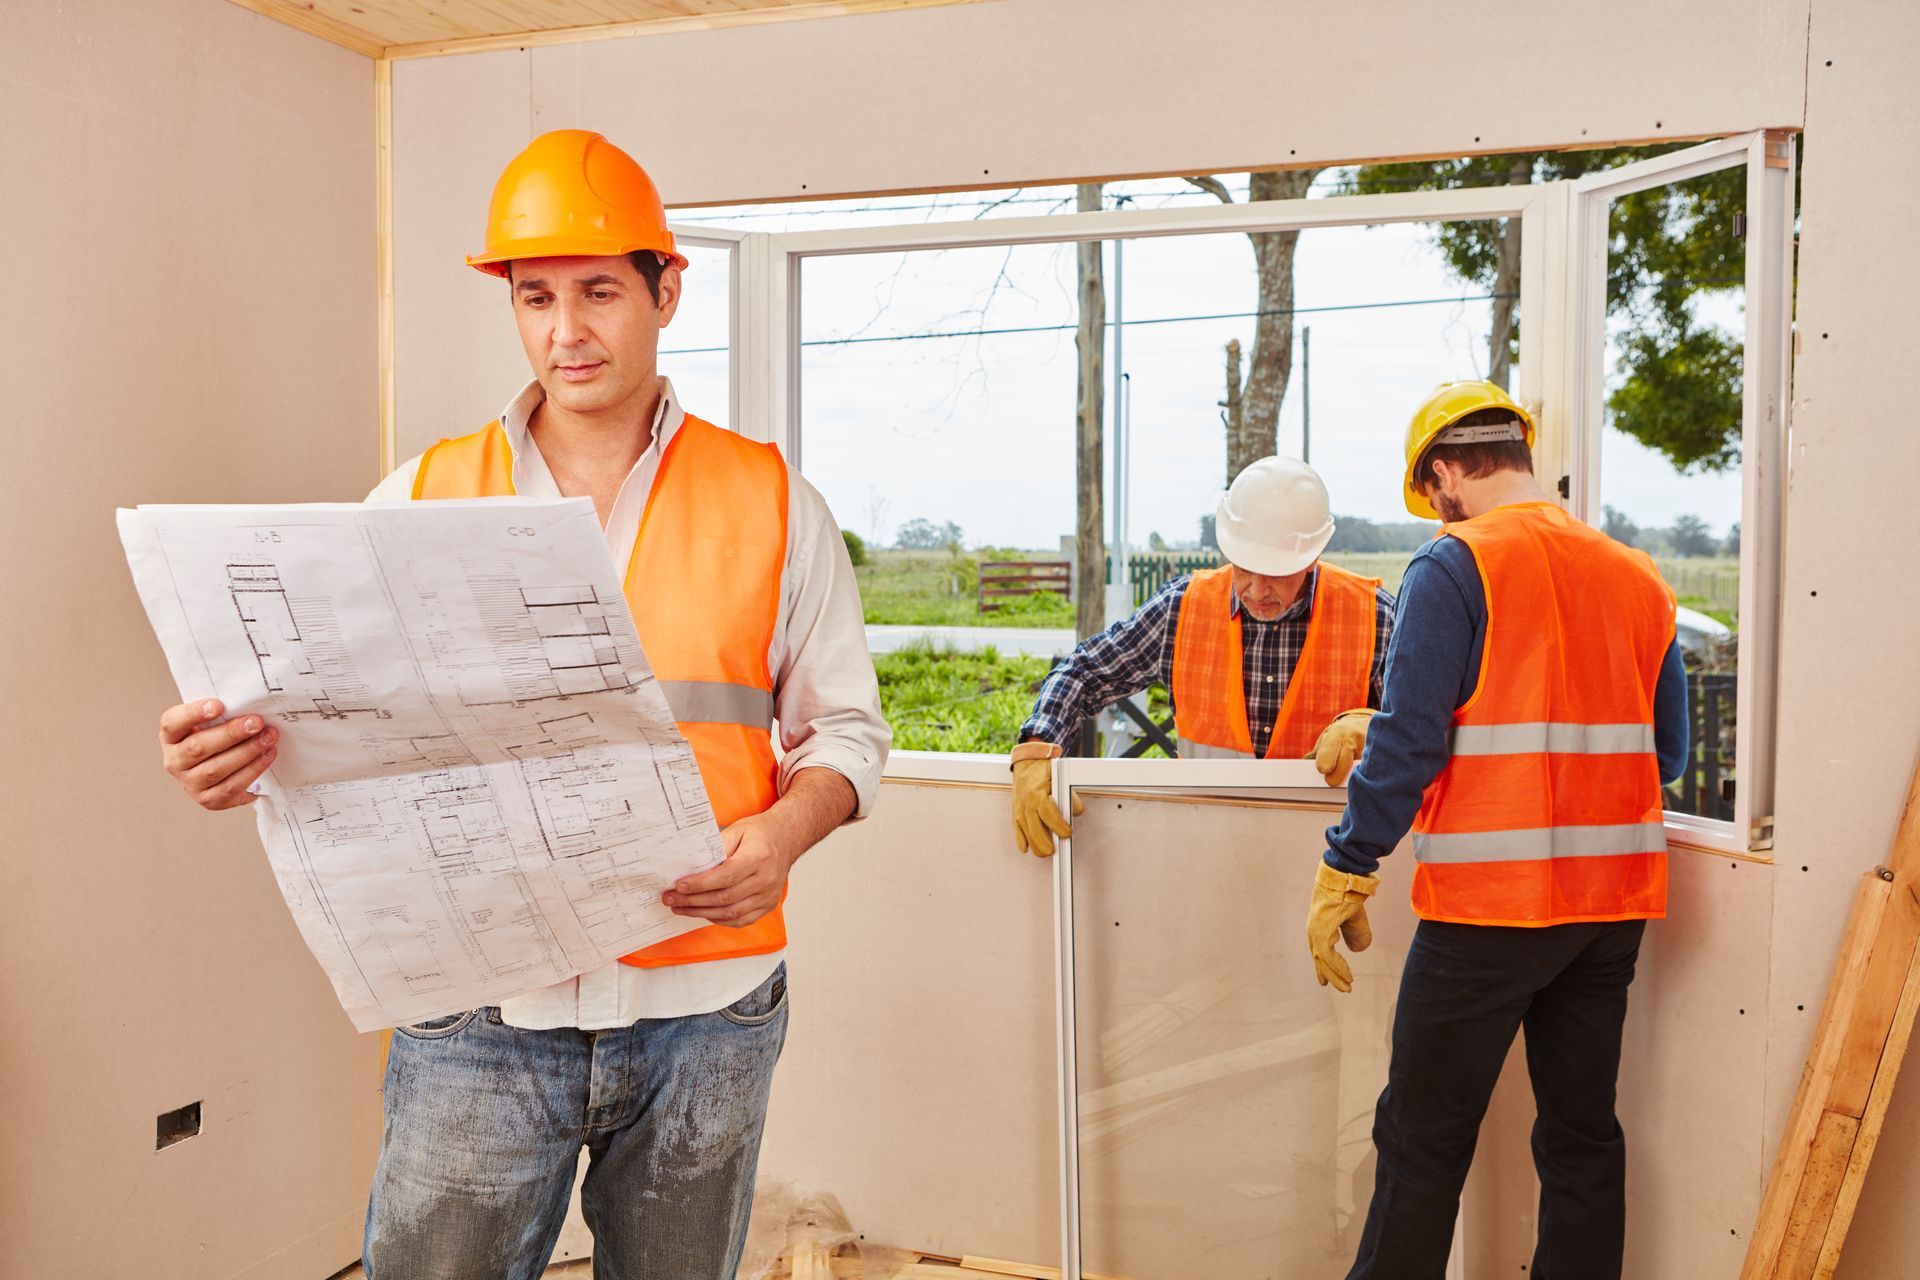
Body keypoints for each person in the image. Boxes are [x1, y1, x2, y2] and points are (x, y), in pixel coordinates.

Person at [155, 129, 889, 1278]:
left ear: (667, 289)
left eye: (599, 290)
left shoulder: (774, 500)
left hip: (708, 1000)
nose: (566, 331)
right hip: (478, 1015)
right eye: (535, 295)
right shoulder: (418, 497)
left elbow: (847, 727)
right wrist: (237, 750)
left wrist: (788, 828)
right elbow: (337, 723)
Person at [1308, 380, 1689, 1280]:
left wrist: (1349, 860)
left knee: (1421, 1141)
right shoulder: (1637, 572)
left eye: (1431, 492)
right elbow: (1662, 752)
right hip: (1609, 910)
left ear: (1445, 469)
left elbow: (1411, 743)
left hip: (1489, 913)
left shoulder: (1455, 563)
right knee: (1581, 1135)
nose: (1436, 512)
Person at [1009, 456, 1395, 855]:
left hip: (1327, 859)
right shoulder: (1182, 607)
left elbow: (1426, 729)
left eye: (1277, 573)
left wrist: (1379, 727)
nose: (1257, 590)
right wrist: (1038, 746)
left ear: (1313, 555)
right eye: (1245, 567)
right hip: (1205, 857)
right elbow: (1084, 671)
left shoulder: (1374, 616)